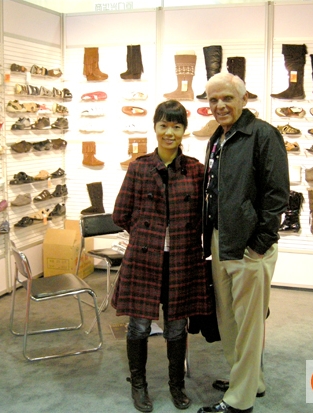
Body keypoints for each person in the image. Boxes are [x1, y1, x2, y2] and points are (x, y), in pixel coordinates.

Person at [112, 100, 213, 412]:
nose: (170, 132)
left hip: (182, 259)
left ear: (184, 130)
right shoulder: (139, 168)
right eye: (164, 125)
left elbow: (204, 216)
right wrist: (148, 234)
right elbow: (120, 213)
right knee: (139, 326)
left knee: (176, 327)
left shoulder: (196, 170)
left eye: (176, 126)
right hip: (145, 259)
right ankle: (139, 384)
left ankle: (176, 385)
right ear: (155, 127)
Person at [198, 73, 290, 413]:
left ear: (244, 99)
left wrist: (260, 243)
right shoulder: (218, 137)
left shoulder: (263, 134)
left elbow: (277, 193)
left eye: (227, 98)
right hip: (221, 238)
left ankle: (239, 400)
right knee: (228, 319)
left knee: (249, 324)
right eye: (213, 100)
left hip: (249, 244)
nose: (219, 106)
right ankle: (249, 379)